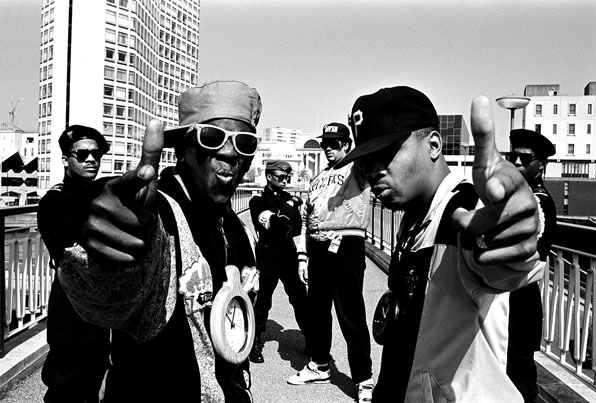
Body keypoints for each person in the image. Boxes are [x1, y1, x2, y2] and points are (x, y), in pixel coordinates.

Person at [55, 80, 261, 402]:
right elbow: (113, 293)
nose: (229, 152)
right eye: (211, 138)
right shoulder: (158, 212)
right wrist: (108, 247)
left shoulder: (235, 226)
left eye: (245, 143)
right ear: (182, 150)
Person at [336, 86, 545, 402]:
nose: (375, 170)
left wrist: (514, 227)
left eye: (388, 153)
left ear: (433, 145)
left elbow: (498, 265)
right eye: (367, 161)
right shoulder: (414, 216)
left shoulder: (462, 213)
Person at [287, 122, 375, 403]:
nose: (328, 148)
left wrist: (358, 130)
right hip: (318, 246)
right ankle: (320, 364)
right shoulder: (317, 178)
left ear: (346, 145)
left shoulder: (357, 168)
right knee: (318, 311)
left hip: (347, 243)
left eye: (335, 143)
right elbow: (304, 218)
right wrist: (302, 255)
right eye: (325, 143)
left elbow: (369, 150)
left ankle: (364, 379)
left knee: (350, 312)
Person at [37, 125, 111, 403]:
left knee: (100, 378)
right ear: (66, 160)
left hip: (104, 304)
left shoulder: (104, 195)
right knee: (66, 384)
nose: (91, 159)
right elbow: (68, 251)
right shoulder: (54, 201)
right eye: (82, 154)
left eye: (96, 154)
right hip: (71, 306)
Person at [506, 128, 557, 403]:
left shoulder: (538, 202)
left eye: (524, 159)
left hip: (520, 297)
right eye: (513, 156)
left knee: (520, 377)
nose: (516, 163)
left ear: (541, 164)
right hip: (511, 295)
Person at [248, 160, 310, 363]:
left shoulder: (288, 199)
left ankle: (311, 339)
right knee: (262, 302)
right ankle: (254, 342)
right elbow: (275, 225)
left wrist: (283, 217)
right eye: (281, 177)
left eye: (287, 177)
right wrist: (289, 207)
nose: (285, 180)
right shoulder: (257, 201)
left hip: (289, 256)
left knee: (301, 299)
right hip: (267, 257)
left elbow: (296, 229)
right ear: (269, 177)